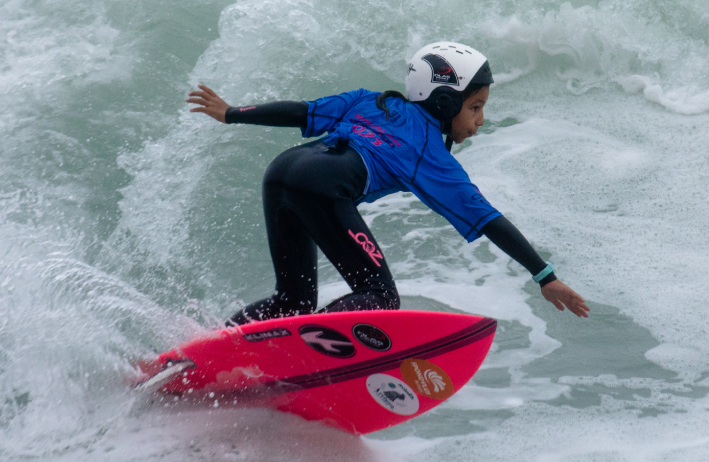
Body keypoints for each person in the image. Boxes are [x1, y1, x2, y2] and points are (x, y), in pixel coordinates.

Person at [186, 41, 590, 324]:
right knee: (379, 296)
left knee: (292, 299)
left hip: (282, 172)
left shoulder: (371, 101)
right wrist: (545, 276)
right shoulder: (429, 153)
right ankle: (304, 348)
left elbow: (301, 112)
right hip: (323, 188)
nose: (480, 120)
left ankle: (214, 346)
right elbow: (488, 219)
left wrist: (232, 113)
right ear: (445, 103)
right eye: (475, 107)